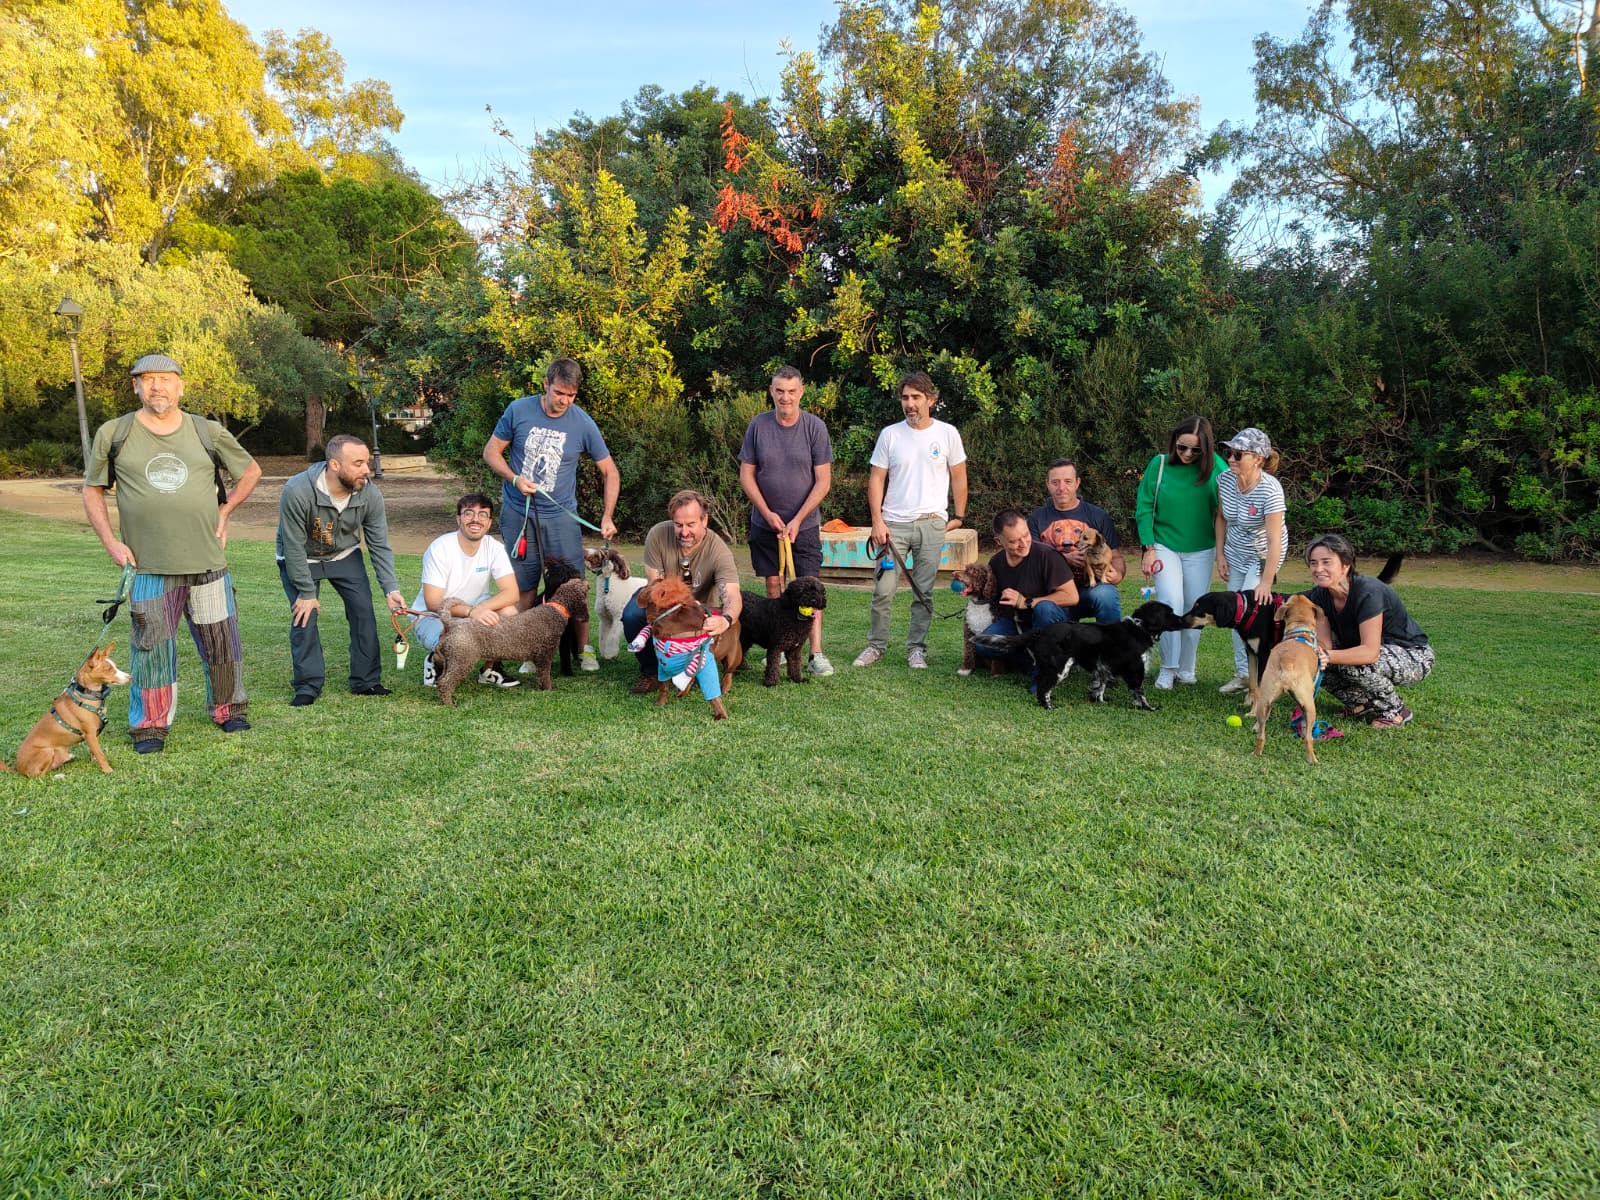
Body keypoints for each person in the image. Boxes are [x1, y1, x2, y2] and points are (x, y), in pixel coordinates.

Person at [82, 353, 261, 754]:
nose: (156, 386)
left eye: (164, 379)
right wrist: (112, 542)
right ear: (135, 387)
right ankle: (150, 726)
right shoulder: (115, 432)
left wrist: (226, 509)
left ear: (180, 385)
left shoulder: (206, 431)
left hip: (208, 562)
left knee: (222, 643)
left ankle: (229, 709)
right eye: (146, 380)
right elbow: (92, 489)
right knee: (151, 649)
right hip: (149, 566)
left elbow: (250, 471)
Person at [481, 357, 619, 679]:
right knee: (523, 587)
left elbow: (610, 471)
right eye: (559, 393)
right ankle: (525, 649)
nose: (564, 401)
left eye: (571, 396)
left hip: (560, 516)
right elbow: (491, 452)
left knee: (575, 585)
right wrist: (515, 479)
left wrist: (607, 514)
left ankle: (584, 650)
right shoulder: (518, 410)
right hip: (520, 514)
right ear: (545, 383)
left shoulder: (582, 423)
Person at [276, 435, 406, 706]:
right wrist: (306, 591)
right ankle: (307, 686)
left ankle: (366, 681)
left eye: (367, 462)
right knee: (305, 617)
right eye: (357, 463)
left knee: (364, 615)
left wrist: (390, 588)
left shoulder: (369, 493)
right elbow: (293, 546)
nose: (366, 470)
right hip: (302, 557)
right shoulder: (297, 490)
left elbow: (379, 544)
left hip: (345, 555)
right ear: (334, 464)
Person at [853, 371, 968, 669]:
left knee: (924, 592)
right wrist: (876, 520)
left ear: (931, 399)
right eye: (905, 397)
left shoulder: (947, 434)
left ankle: (916, 649)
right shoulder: (890, 434)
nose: (910, 404)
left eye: (916, 397)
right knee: (883, 590)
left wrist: (958, 517)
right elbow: (876, 479)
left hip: (931, 523)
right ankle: (875, 646)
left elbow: (959, 477)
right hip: (893, 526)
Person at [738, 365, 835, 676]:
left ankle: (815, 653)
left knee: (811, 589)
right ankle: (777, 649)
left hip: (803, 525)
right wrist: (767, 513)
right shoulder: (758, 426)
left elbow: (823, 482)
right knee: (774, 585)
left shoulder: (815, 427)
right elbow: (747, 474)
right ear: (771, 392)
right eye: (779, 391)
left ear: (801, 392)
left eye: (791, 391)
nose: (785, 397)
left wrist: (797, 519)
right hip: (765, 523)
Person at [1133, 416, 1230, 689]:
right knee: (1169, 601)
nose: (1187, 454)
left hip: (1201, 548)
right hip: (1164, 544)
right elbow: (1144, 507)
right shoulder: (1159, 464)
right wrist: (1149, 549)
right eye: (1182, 447)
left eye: (1195, 450)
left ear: (1206, 450)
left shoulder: (1218, 470)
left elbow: (1228, 509)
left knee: (1194, 608)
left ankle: (1187, 667)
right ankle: (1168, 667)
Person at [1303, 534, 1433, 728]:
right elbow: (1324, 646)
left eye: (1326, 562)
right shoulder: (1320, 595)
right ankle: (1362, 704)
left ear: (1346, 564)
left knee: (1352, 662)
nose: (1318, 569)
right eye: (1314, 563)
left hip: (1413, 655)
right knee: (1318, 663)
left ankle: (1396, 711)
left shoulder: (1368, 591)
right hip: (1373, 652)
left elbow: (1369, 652)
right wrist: (1315, 655)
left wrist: (1326, 655)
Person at [621, 490, 744, 691]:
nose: (684, 532)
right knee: (633, 615)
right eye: (678, 525)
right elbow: (655, 584)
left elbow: (732, 595)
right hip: (663, 600)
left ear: (705, 520)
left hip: (701, 606)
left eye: (691, 524)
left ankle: (690, 667)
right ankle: (652, 671)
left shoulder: (719, 551)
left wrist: (726, 619)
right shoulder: (658, 535)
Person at [410, 493, 522, 688]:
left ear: (489, 523)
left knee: (510, 613)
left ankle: (490, 669)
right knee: (458, 640)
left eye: (482, 515)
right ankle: (435, 661)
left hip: (473, 611)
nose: (475, 520)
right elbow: (433, 602)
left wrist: (481, 609)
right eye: (468, 513)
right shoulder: (440, 548)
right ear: (458, 519)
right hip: (433, 617)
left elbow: (511, 592)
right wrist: (472, 612)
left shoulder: (494, 548)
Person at [1214, 427, 1288, 695]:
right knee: (1235, 613)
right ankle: (1244, 675)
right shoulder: (1224, 479)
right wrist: (1220, 554)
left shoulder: (1270, 490)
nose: (1231, 458)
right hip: (1235, 552)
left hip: (1262, 557)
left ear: (1258, 458)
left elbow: (1274, 541)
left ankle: (1260, 676)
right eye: (1229, 452)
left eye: (1238, 454)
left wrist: (1266, 582)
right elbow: (1221, 518)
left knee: (1251, 613)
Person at [971, 509, 1080, 672]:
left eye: (1026, 535)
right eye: (1014, 541)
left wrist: (1026, 602)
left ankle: (1045, 667)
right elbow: (990, 595)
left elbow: (1072, 596)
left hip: (1051, 622)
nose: (1024, 543)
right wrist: (972, 590)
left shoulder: (1047, 555)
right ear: (999, 541)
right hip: (1017, 624)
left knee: (1044, 607)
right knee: (981, 644)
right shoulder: (996, 562)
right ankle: (1034, 659)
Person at [1026, 458, 1125, 623]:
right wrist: (1063, 559)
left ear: (1077, 483)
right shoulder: (1036, 519)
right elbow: (1030, 561)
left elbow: (1116, 556)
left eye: (1068, 481)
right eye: (1055, 482)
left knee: (1105, 594)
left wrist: (1118, 574)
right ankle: (1050, 647)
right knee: (1043, 608)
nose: (1061, 488)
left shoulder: (1098, 516)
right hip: (1054, 592)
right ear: (1047, 484)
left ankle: (1111, 646)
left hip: (1090, 588)